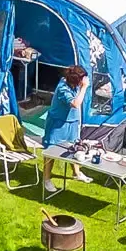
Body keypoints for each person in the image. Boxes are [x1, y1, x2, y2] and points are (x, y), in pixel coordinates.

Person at [39, 65, 92, 195]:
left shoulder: (73, 84)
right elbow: (75, 104)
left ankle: (76, 173)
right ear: (76, 80)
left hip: (72, 122)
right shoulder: (63, 88)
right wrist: (84, 87)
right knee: (51, 151)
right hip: (58, 123)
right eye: (82, 79)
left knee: (74, 147)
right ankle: (46, 179)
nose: (85, 81)